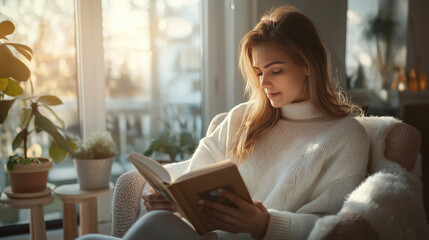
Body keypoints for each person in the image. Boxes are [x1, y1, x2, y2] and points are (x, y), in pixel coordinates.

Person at [79, 5, 369, 240]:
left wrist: (264, 224)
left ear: (307, 64)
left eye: (276, 70)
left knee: (152, 225)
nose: (264, 83)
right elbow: (195, 179)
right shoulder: (243, 117)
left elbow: (334, 227)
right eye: (258, 72)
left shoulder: (346, 136)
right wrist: (177, 204)